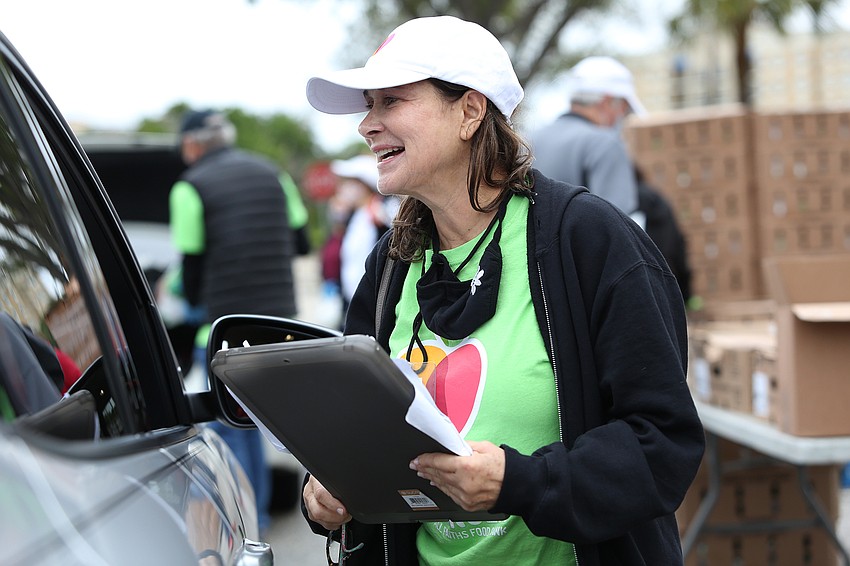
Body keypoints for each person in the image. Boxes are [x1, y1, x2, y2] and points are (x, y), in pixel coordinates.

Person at [301, 15, 704, 566]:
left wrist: (520, 482)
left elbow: (662, 443)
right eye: (368, 106)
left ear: (470, 111)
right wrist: (324, 486)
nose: (366, 125)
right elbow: (351, 427)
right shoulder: (393, 263)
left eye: (390, 101)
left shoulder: (587, 239)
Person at [168, 108, 308, 535]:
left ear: (192, 145)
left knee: (230, 428)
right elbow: (300, 241)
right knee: (255, 424)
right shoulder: (273, 174)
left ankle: (250, 528)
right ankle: (259, 517)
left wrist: (185, 298)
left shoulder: (189, 187)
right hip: (279, 325)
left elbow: (190, 269)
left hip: (224, 328)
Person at [530, 55, 646, 218]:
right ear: (608, 101)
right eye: (625, 109)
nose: (623, 118)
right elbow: (618, 224)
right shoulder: (605, 145)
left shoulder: (528, 139)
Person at [331, 154, 400, 314]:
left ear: (364, 186)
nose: (344, 187)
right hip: (353, 302)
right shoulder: (355, 216)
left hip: (373, 305)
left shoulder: (382, 213)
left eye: (351, 182)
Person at [634, 165, 693, 305]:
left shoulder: (630, 200)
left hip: (646, 282)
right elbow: (679, 245)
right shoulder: (659, 199)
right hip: (668, 277)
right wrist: (686, 294)